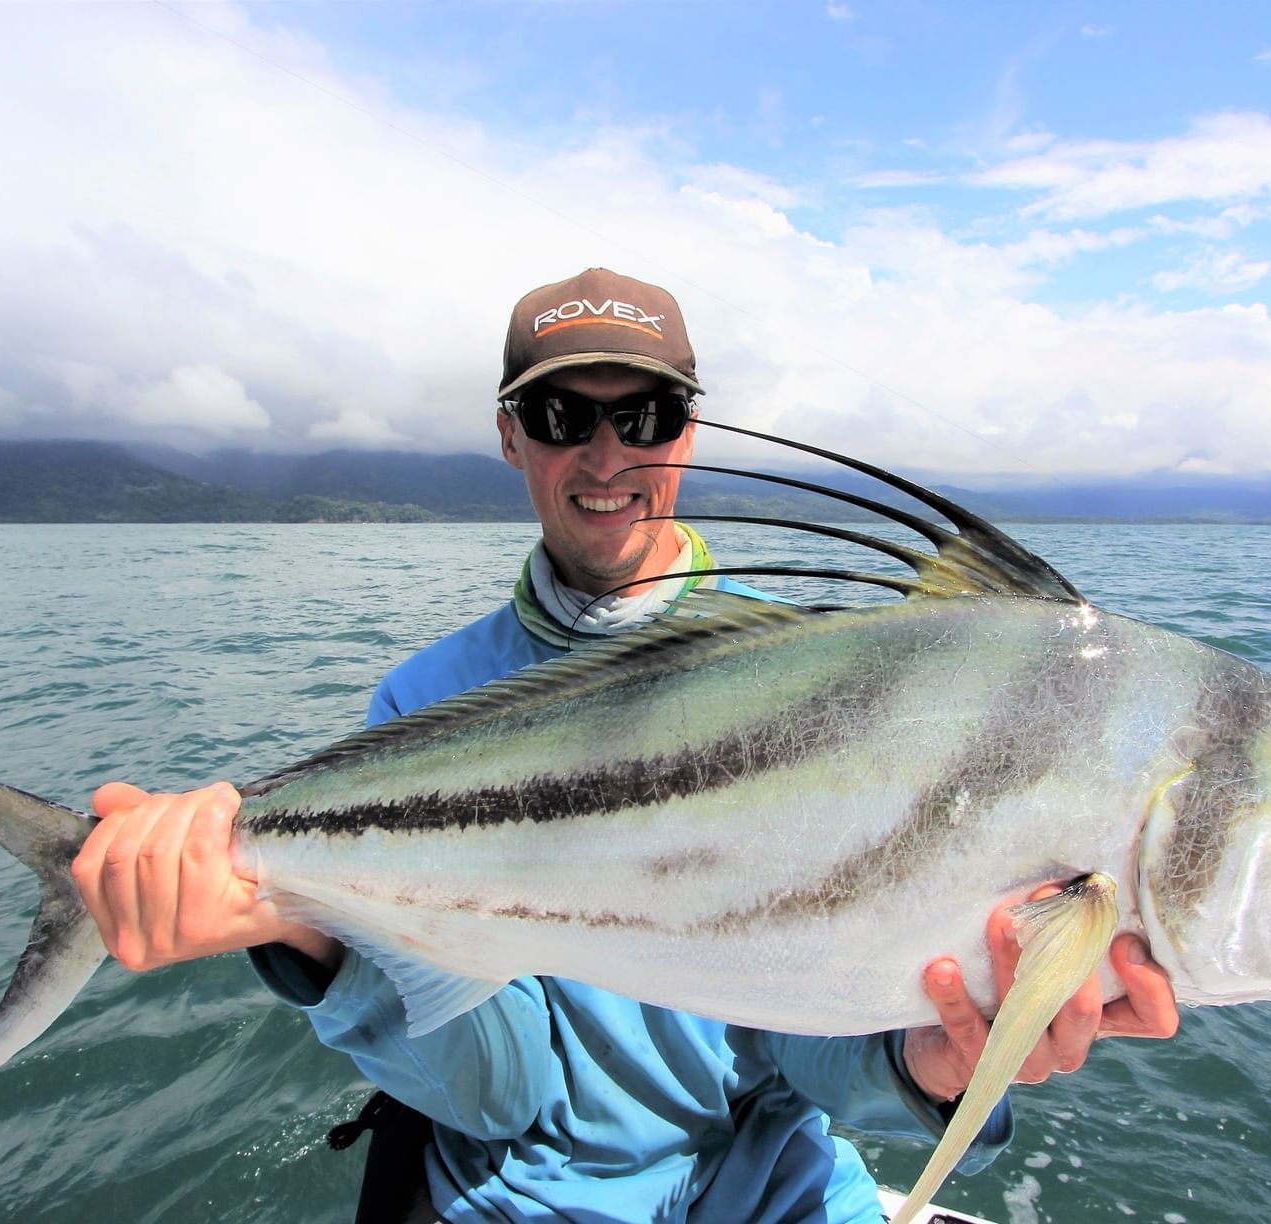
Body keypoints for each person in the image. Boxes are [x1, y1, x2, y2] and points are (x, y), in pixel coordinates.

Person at [72, 268, 1179, 1223]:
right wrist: (311, 939)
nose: (606, 454)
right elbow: (499, 1093)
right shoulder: (428, 702)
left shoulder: (825, 676)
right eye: (562, 416)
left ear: (687, 429)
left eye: (644, 414)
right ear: (511, 436)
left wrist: (935, 1065)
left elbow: (808, 1027)